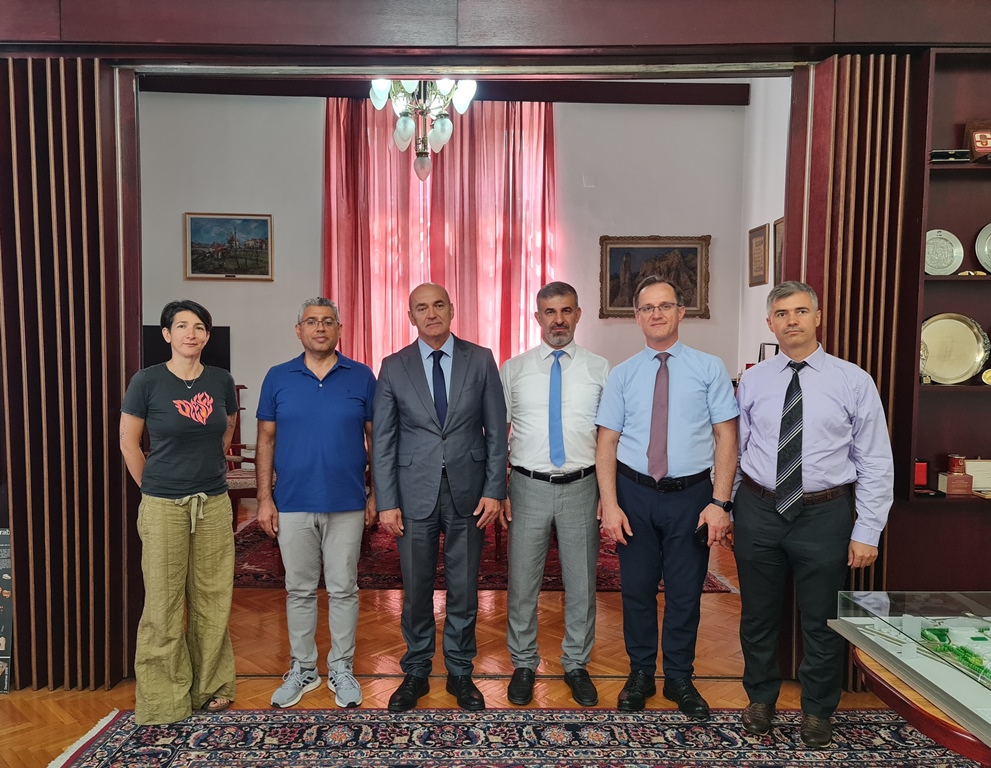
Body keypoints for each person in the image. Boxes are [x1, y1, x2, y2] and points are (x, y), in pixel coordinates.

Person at [733, 281, 893, 747]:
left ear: (818, 318)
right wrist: (729, 507)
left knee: (822, 620)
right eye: (782, 314)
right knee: (757, 616)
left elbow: (875, 460)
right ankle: (760, 699)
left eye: (801, 311)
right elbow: (737, 449)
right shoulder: (754, 381)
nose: (792, 321)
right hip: (759, 508)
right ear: (770, 323)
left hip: (825, 514)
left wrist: (868, 530)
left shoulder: (853, 380)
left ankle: (818, 711)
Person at [595, 275, 738, 719]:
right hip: (634, 494)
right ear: (637, 317)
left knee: (684, 592)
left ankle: (679, 677)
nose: (656, 313)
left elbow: (726, 438)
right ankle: (640, 673)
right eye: (647, 308)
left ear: (681, 312)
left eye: (665, 305)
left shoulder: (709, 368)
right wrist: (610, 504)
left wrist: (720, 503)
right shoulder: (622, 374)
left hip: (691, 498)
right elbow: (606, 443)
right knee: (636, 590)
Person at [372, 282, 508, 712]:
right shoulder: (393, 366)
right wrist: (386, 500)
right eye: (421, 308)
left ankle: (460, 671)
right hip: (413, 491)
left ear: (452, 309)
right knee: (416, 587)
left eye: (438, 305)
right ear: (410, 317)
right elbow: (383, 441)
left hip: (470, 492)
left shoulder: (481, 359)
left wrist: (495, 489)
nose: (431, 314)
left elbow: (496, 431)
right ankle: (415, 670)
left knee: (464, 586)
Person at [119, 300, 239, 724]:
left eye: (200, 326)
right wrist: (153, 487)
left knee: (212, 599)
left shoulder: (221, 380)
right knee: (163, 604)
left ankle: (211, 686)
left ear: (207, 336)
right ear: (167, 334)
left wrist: (204, 467)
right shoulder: (147, 381)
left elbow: (227, 427)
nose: (192, 333)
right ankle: (164, 699)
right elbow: (129, 442)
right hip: (164, 506)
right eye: (182, 326)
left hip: (214, 504)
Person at [255, 298, 377, 709]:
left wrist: (376, 493)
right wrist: (264, 498)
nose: (320, 328)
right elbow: (265, 440)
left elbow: (375, 439)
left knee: (343, 589)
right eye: (311, 321)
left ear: (340, 329)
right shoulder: (278, 377)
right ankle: (304, 668)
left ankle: (341, 667)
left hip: (347, 502)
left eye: (328, 321)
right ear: (299, 330)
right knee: (299, 590)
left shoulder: (362, 376)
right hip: (292, 502)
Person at [499, 281, 609, 707]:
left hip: (582, 486)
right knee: (522, 583)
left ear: (578, 315)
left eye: (566, 311)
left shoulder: (601, 368)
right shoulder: (514, 370)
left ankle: (576, 663)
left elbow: (610, 437)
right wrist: (500, 489)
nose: (558, 320)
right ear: (537, 317)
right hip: (527, 486)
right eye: (550, 312)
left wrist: (607, 495)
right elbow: (497, 435)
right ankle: (524, 663)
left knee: (581, 582)